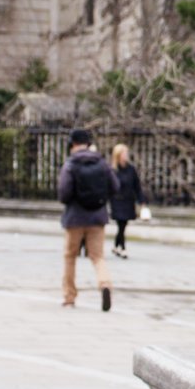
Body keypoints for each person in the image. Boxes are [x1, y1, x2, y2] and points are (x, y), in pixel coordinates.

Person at [57, 128, 119, 310]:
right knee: (98, 256)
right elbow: (115, 186)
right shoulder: (102, 163)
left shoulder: (70, 164)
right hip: (98, 217)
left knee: (70, 256)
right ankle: (105, 284)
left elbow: (63, 193)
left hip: (75, 217)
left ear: (72, 144)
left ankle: (69, 297)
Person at [109, 143, 145, 256]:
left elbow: (137, 186)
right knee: (121, 224)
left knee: (123, 225)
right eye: (124, 153)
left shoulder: (131, 169)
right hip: (117, 201)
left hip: (128, 201)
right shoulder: (113, 170)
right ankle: (123, 248)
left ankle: (116, 246)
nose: (126, 155)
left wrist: (141, 201)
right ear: (118, 155)